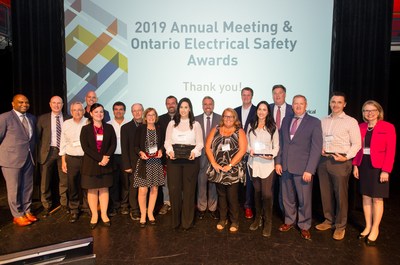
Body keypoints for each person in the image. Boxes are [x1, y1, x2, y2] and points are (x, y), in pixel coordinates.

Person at [275, 95, 322, 240]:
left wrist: (310, 169)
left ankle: (304, 225)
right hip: (286, 166)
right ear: (292, 105)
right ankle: (289, 221)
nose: (298, 106)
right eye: (296, 103)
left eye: (301, 104)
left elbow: (316, 148)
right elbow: (282, 143)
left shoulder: (314, 122)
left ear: (306, 105)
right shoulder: (286, 119)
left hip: (303, 169)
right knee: (287, 198)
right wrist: (278, 161)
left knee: (304, 200)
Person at [316, 92, 361, 240]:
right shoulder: (323, 120)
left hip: (341, 161)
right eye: (333, 102)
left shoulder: (351, 121)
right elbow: (320, 139)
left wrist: (346, 157)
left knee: (341, 195)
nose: (335, 105)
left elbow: (357, 144)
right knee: (325, 192)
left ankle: (341, 226)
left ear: (345, 104)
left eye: (339, 102)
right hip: (324, 160)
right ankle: (329, 220)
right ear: (330, 103)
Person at [352, 100, 396, 246]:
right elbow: (358, 148)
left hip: (379, 168)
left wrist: (386, 170)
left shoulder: (388, 127)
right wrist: (355, 165)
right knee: (365, 197)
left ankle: (375, 228)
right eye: (366, 110)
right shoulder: (360, 127)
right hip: (363, 165)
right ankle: (368, 226)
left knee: (377, 199)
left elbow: (391, 151)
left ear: (378, 112)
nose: (369, 113)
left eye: (372, 110)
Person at [205, 108, 247, 233]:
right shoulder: (216, 129)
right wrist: (214, 163)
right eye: (226, 116)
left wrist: (230, 165)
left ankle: (235, 221)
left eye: (231, 116)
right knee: (221, 195)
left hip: (233, 169)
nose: (228, 119)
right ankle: (223, 219)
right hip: (218, 169)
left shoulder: (240, 131)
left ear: (235, 119)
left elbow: (243, 150)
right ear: (222, 118)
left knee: (232, 197)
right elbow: (208, 147)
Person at [164, 97, 203, 230]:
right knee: (174, 191)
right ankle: (175, 221)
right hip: (174, 160)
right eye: (181, 107)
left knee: (189, 191)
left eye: (186, 107)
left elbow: (200, 143)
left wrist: (195, 152)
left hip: (191, 161)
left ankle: (187, 222)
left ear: (190, 109)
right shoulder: (172, 124)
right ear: (178, 108)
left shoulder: (196, 124)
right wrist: (169, 151)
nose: (183, 110)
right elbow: (167, 141)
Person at [0, 94, 37, 226]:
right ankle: (17, 215)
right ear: (13, 103)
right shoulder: (5, 117)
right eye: (20, 102)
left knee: (27, 187)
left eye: (26, 102)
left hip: (28, 158)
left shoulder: (32, 118)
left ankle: (27, 211)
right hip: (10, 160)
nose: (24, 105)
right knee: (14, 188)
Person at [80, 103, 116, 229]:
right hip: (91, 163)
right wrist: (100, 158)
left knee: (104, 189)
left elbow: (113, 144)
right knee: (92, 190)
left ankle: (104, 214)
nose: (99, 114)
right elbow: (85, 148)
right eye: (96, 112)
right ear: (91, 114)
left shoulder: (109, 128)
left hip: (106, 162)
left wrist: (106, 157)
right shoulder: (85, 129)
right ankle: (94, 215)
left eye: (101, 112)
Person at [247, 101, 279, 237]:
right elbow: (247, 144)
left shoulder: (273, 127)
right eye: (259, 109)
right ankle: (257, 218)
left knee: (267, 194)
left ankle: (268, 222)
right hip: (254, 163)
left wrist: (270, 155)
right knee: (257, 192)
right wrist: (250, 150)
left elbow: (276, 146)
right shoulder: (251, 125)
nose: (261, 112)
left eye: (264, 110)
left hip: (267, 165)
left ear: (268, 112)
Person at [36, 96, 70, 217]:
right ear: (50, 104)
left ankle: (65, 204)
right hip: (47, 153)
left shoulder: (68, 118)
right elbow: (37, 138)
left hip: (64, 153)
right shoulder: (42, 118)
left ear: (62, 104)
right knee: (45, 181)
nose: (56, 105)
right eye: (54, 103)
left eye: (59, 103)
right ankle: (46, 205)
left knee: (64, 180)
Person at [133, 108, 165, 227]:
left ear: (156, 117)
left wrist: (161, 150)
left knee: (154, 189)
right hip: (144, 163)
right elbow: (135, 146)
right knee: (143, 190)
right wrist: (140, 152)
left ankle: (150, 213)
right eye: (149, 115)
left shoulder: (160, 129)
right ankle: (142, 214)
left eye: (153, 115)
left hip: (156, 162)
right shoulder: (140, 129)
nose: (151, 117)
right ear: (145, 117)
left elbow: (162, 144)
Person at [59, 102, 88, 223]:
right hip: (71, 158)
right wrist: (63, 161)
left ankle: (87, 208)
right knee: (72, 185)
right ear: (71, 112)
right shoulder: (66, 124)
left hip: (86, 158)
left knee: (87, 184)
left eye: (80, 110)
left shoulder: (88, 122)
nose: (77, 112)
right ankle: (74, 209)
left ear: (84, 111)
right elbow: (63, 143)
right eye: (74, 110)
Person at [195, 96, 221, 220]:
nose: (208, 106)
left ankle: (212, 207)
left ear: (213, 105)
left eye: (210, 104)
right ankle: (201, 207)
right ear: (202, 106)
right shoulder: (195, 120)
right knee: (201, 182)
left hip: (215, 157)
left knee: (213, 183)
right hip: (200, 156)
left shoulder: (220, 119)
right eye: (205, 104)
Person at [269, 84, 293, 220]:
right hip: (267, 153)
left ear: (285, 94)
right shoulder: (268, 109)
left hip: (285, 154)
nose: (277, 96)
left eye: (280, 93)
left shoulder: (292, 110)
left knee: (285, 188)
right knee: (268, 187)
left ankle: (285, 214)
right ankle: (268, 213)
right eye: (275, 93)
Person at [234, 87, 257, 219]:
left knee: (249, 180)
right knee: (235, 179)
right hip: (236, 151)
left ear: (252, 96)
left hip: (251, 151)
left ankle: (248, 206)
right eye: (244, 95)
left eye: (248, 95)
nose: (246, 97)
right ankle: (236, 204)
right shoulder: (235, 111)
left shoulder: (257, 111)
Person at [121, 103, 143, 221]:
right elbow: (124, 148)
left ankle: (144, 209)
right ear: (132, 112)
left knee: (146, 188)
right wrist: (127, 165)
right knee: (134, 187)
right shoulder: (126, 128)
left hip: (148, 162)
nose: (137, 112)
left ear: (143, 111)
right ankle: (134, 210)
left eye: (139, 110)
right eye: (135, 111)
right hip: (133, 163)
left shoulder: (149, 125)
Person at [107, 101, 129, 216]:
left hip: (126, 157)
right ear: (113, 111)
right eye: (116, 109)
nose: (118, 111)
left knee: (126, 183)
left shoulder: (129, 124)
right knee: (114, 183)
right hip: (113, 158)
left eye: (121, 109)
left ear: (124, 111)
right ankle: (114, 206)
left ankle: (125, 205)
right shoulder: (108, 125)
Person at [157, 95, 178, 215]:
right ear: (166, 105)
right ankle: (166, 202)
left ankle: (177, 203)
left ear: (177, 104)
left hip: (181, 156)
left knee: (179, 182)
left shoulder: (183, 118)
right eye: (168, 103)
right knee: (166, 182)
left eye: (173, 103)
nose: (171, 105)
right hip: (164, 156)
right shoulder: (159, 119)